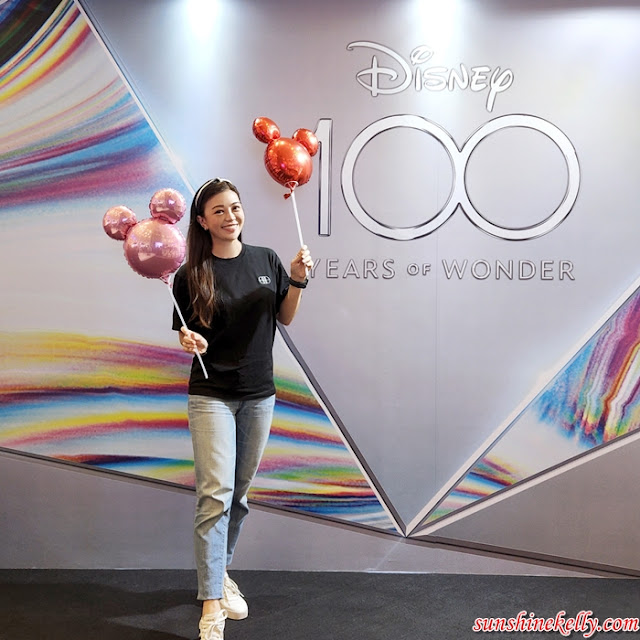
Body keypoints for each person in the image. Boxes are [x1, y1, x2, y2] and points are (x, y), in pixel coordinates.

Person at [171, 178, 313, 640]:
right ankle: (211, 603)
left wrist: (297, 279)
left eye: (235, 207)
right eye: (219, 211)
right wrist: (188, 339)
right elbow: (187, 331)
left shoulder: (266, 260)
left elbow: (284, 317)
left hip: (258, 394)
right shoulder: (189, 274)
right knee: (215, 494)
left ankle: (220, 574)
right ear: (202, 221)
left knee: (239, 495)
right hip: (211, 394)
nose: (230, 217)